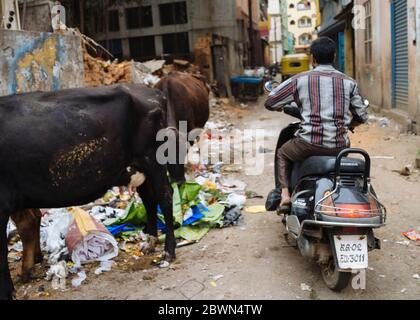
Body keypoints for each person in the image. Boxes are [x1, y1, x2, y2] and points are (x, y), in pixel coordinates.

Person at [264, 37, 368, 212]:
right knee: (345, 146)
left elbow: (270, 102)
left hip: (308, 145)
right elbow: (362, 115)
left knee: (283, 153)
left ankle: (285, 196)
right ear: (334, 56)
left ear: (312, 58)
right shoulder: (349, 82)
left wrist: (281, 107)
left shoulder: (300, 79)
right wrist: (350, 124)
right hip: (340, 146)